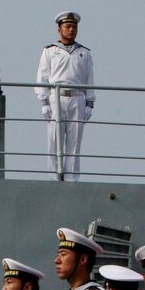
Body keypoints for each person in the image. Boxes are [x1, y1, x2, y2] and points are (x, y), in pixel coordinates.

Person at [35, 12, 95, 181]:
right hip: (56, 97)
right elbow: (42, 77)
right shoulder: (50, 51)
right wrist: (44, 101)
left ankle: (71, 178)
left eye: (74, 27)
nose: (71, 30)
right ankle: (54, 177)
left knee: (74, 142)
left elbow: (89, 79)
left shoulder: (84, 53)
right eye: (67, 26)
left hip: (77, 97)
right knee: (54, 140)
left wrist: (90, 103)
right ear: (59, 29)